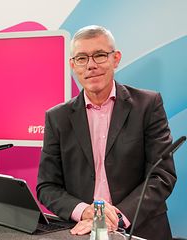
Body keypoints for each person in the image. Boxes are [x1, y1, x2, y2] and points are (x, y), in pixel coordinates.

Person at [36, 25, 176, 240]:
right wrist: (84, 211)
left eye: (100, 55)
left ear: (116, 58)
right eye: (82, 58)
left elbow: (162, 175)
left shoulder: (148, 105)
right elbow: (47, 186)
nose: (91, 65)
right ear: (73, 65)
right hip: (82, 232)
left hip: (141, 230)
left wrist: (117, 216)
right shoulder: (58, 117)